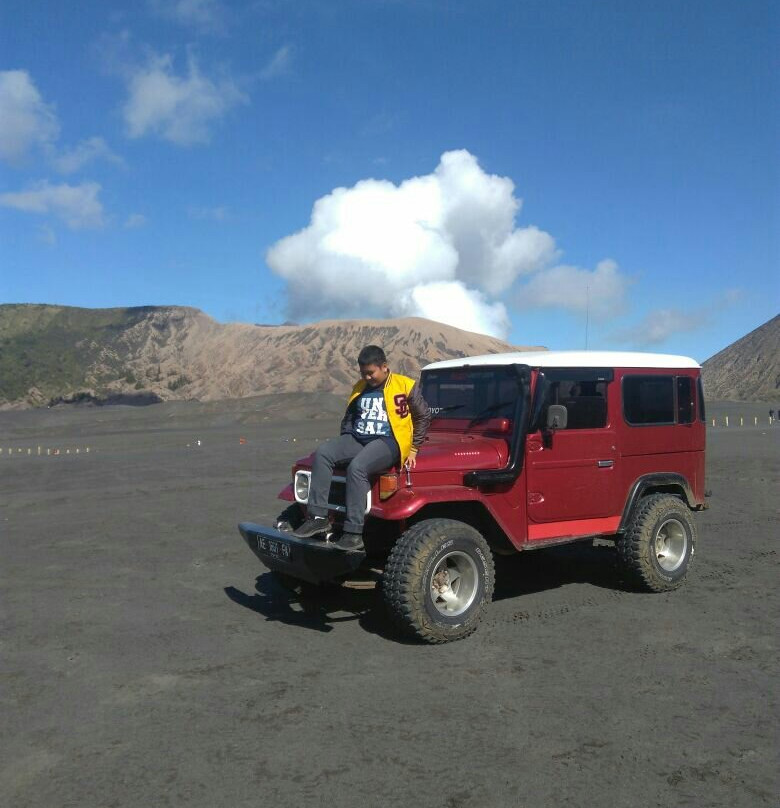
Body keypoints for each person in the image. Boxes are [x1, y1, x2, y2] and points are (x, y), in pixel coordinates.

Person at [293, 345, 431, 552]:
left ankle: (353, 532)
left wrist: (413, 448)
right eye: (363, 373)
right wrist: (345, 440)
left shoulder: (404, 385)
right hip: (358, 438)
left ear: (384, 367)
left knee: (357, 467)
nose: (367, 377)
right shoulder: (360, 387)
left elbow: (423, 416)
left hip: (389, 441)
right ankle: (318, 517)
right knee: (323, 454)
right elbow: (350, 417)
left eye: (370, 372)